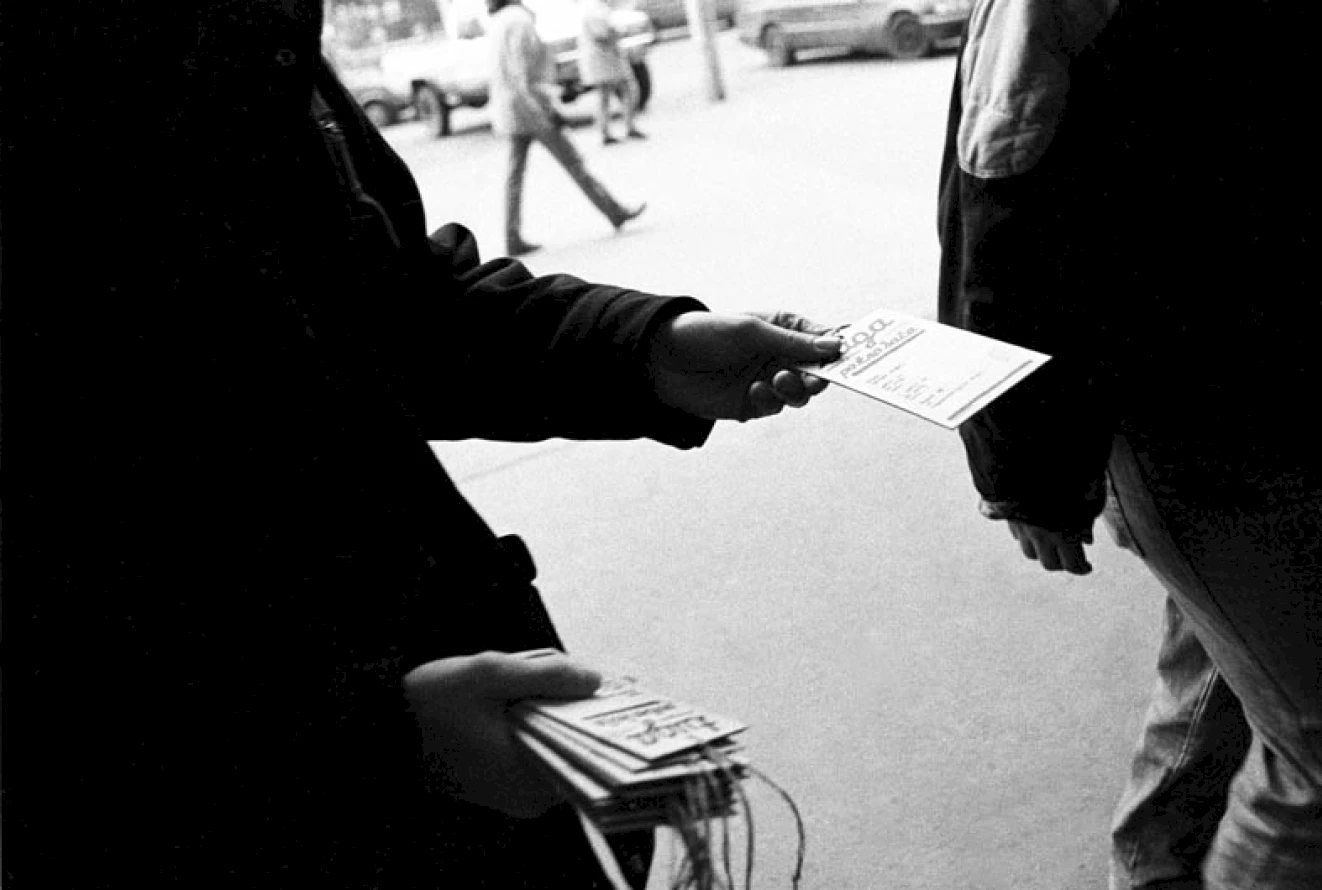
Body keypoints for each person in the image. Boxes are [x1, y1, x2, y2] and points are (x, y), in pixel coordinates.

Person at [1, 1, 844, 886]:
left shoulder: (248, 35)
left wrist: (643, 349)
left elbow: (388, 306)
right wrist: (366, 736)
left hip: (450, 738)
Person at [936, 0, 1322, 887]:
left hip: (1287, 391)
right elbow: (1001, 221)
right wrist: (1029, 473)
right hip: (1195, 413)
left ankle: (1152, 870)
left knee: (1234, 683)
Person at [486, 0, 644, 256]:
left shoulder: (499, 22)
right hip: (531, 109)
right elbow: (521, 74)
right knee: (574, 164)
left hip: (512, 109)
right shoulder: (519, 21)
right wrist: (547, 109)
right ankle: (614, 211)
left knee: (515, 175)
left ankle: (511, 235)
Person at [578, 0, 646, 145]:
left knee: (606, 96)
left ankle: (609, 130)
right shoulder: (595, 10)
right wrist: (617, 34)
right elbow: (601, 36)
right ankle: (624, 127)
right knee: (623, 91)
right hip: (604, 58)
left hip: (603, 58)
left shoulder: (594, 8)